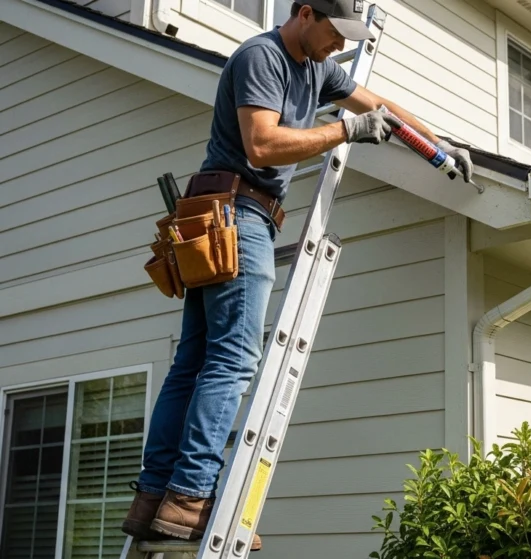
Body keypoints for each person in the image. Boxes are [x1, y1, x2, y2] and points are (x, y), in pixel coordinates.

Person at [121, 0, 473, 549]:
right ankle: (189, 496)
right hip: (235, 214)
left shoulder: (317, 66)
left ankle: (154, 500)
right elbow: (263, 144)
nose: (341, 47)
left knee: (194, 362)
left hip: (222, 213)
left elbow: (382, 106)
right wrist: (345, 130)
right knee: (232, 359)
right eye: (336, 33)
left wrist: (440, 145)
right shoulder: (262, 57)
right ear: (306, 13)